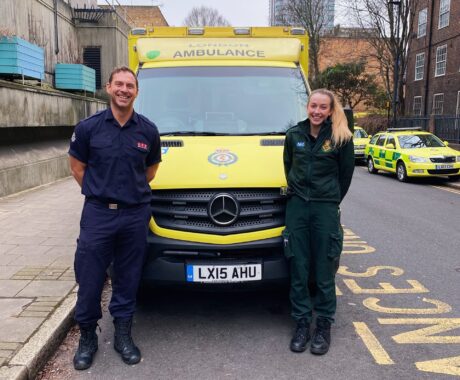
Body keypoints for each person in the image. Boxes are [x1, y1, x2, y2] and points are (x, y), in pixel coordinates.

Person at [68, 66, 161, 369]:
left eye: (129, 85)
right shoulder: (88, 128)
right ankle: (87, 338)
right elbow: (77, 167)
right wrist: (100, 193)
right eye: (118, 84)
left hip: (134, 216)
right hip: (98, 215)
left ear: (136, 91)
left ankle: (123, 335)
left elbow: (150, 171)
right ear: (108, 87)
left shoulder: (147, 130)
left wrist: (127, 196)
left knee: (128, 277)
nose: (124, 90)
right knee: (90, 277)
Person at [283, 88, 354, 355]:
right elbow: (288, 167)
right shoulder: (294, 135)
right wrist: (301, 196)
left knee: (325, 270)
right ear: (307, 106)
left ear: (330, 110)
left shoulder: (341, 139)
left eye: (323, 107)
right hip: (297, 207)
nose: (317, 111)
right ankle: (302, 323)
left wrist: (329, 200)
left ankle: (323, 325)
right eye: (313, 105)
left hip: (325, 208)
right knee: (299, 268)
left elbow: (345, 177)